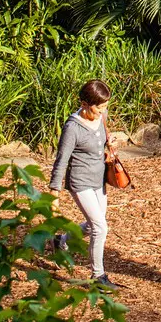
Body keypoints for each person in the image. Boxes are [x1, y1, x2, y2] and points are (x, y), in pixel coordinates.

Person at [52, 79, 119, 288]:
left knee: (93, 226)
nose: (103, 111)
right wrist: (54, 192)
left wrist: (111, 143)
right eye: (99, 107)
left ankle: (61, 241)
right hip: (80, 182)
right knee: (100, 228)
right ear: (84, 104)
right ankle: (98, 276)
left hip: (99, 179)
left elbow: (102, 140)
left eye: (105, 106)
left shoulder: (102, 116)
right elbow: (61, 160)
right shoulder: (72, 127)